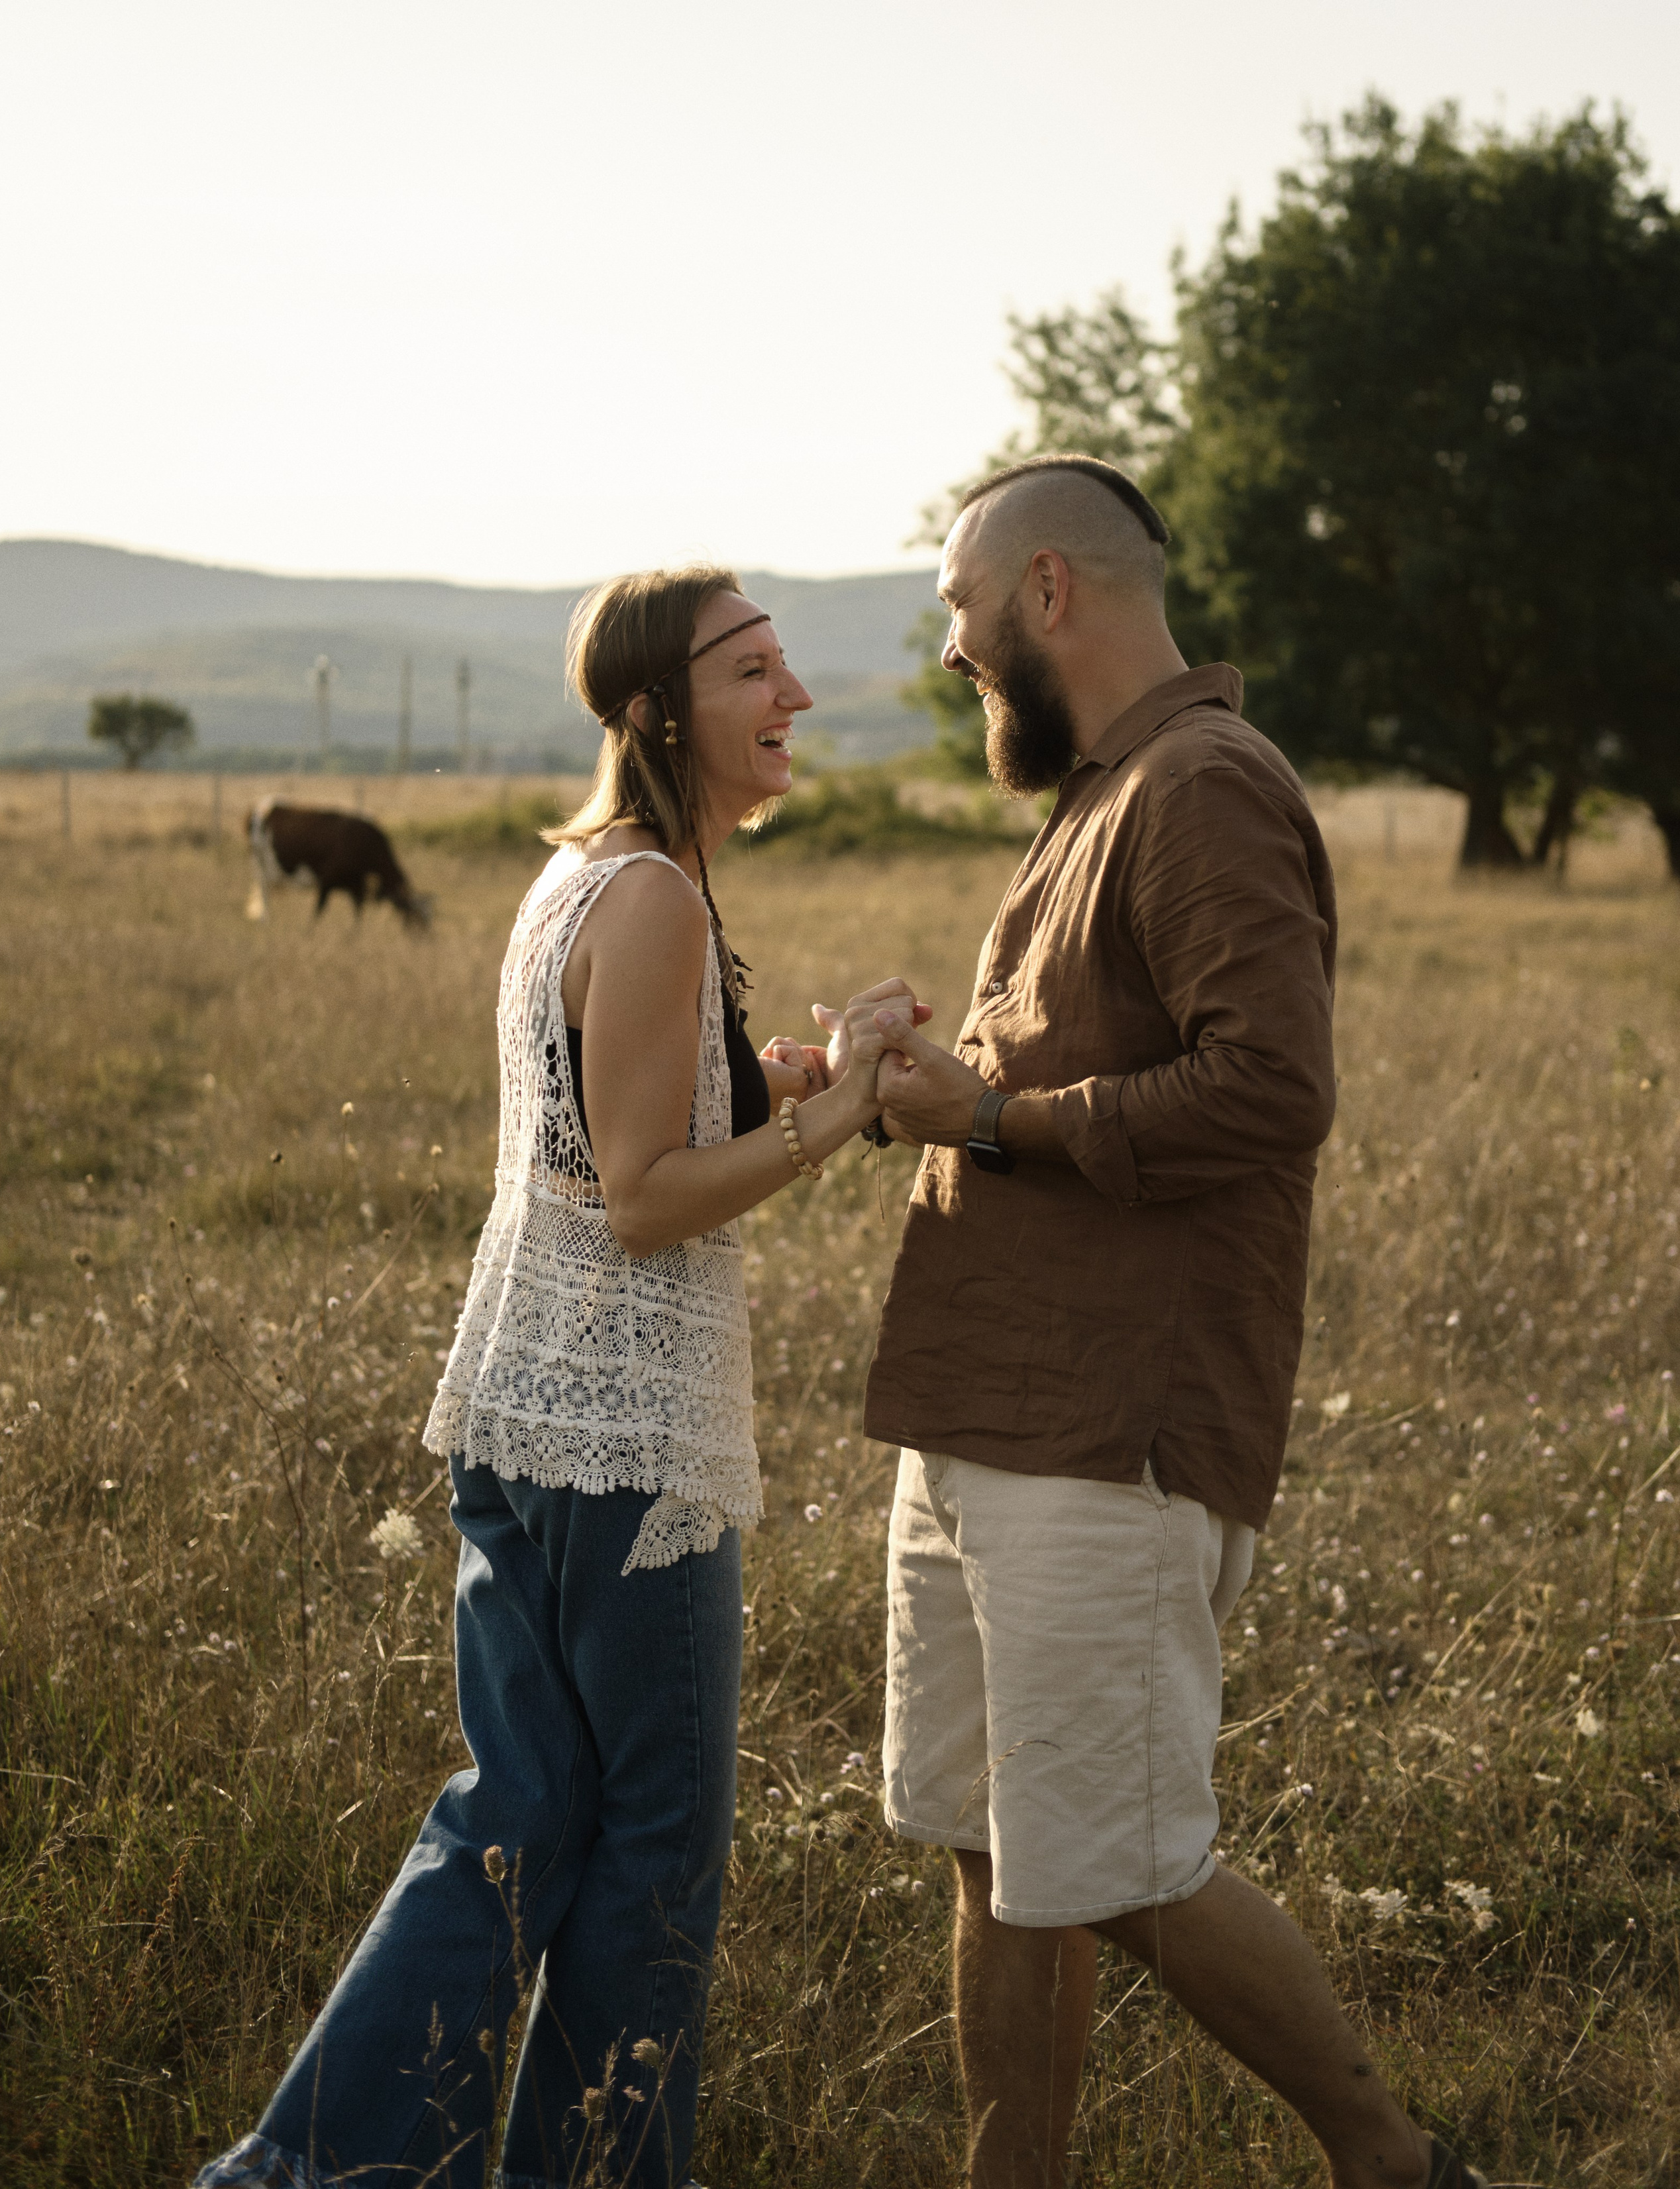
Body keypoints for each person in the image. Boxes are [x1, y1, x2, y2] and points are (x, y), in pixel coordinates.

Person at [194, 565, 919, 2189]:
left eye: (786, 662)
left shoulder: (581, 875)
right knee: (652, 1853)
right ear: (659, 708)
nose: (793, 693)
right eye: (754, 670)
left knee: (511, 1820)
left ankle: (297, 2172)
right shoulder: (655, 892)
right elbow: (644, 1197)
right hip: (625, 1441)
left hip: (522, 1407)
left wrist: (782, 1074)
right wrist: (842, 1107)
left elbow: (610, 1122)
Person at [844, 458, 1486, 2189]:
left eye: (964, 608)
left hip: (1110, 1429)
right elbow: (1085, 1066)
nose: (956, 644)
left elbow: (1272, 1089)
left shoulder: (1203, 784)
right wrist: (949, 1081)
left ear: (1051, 591)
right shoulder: (1100, 793)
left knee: (1118, 1861)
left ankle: (1395, 2162)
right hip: (985, 1407)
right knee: (995, 1852)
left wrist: (985, 1119)